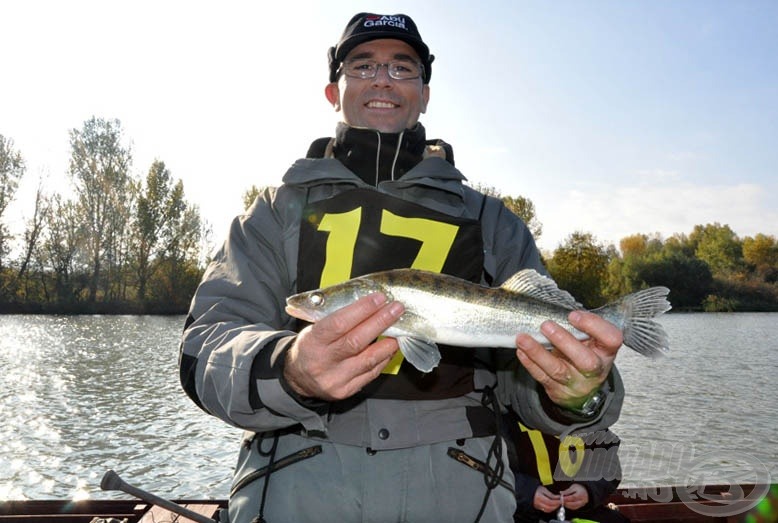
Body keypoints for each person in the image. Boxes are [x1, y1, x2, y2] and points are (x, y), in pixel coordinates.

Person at [179, 12, 626, 523]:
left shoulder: (492, 222)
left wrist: (578, 396)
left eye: (402, 68)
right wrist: (291, 369)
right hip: (297, 493)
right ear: (334, 91)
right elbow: (203, 349)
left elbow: (531, 393)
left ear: (425, 92)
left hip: (464, 497)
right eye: (363, 65)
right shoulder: (274, 212)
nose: (382, 80)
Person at [504, 410, 629, 523]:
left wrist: (588, 490)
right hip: (518, 512)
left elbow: (608, 464)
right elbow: (488, 472)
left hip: (580, 512)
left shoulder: (588, 414)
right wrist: (528, 493)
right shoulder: (501, 414)